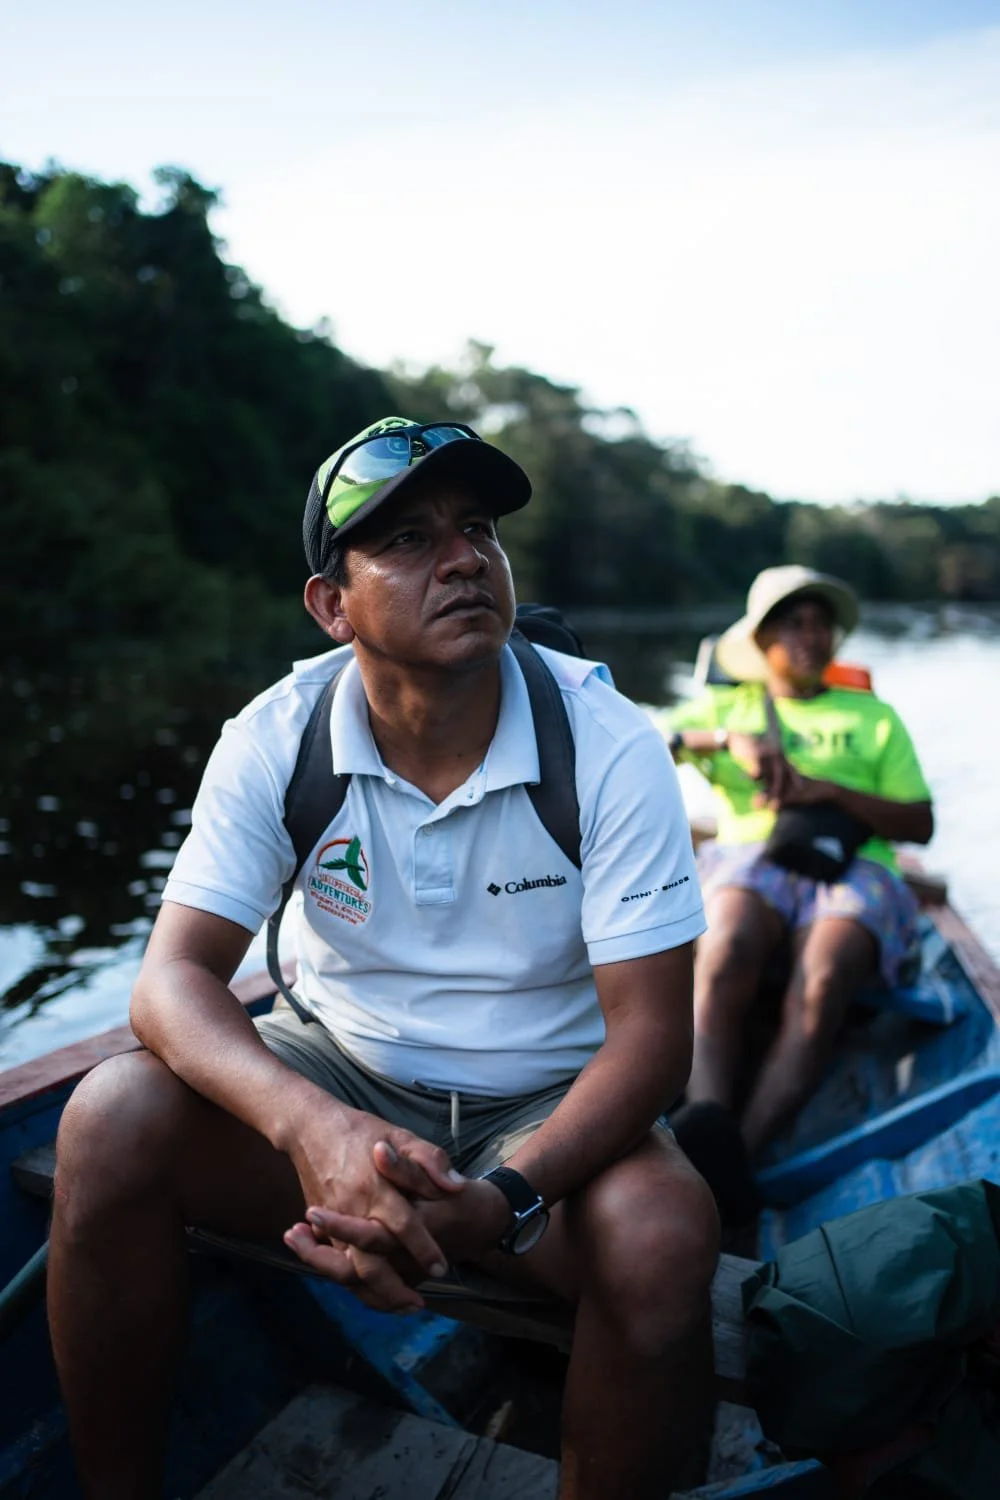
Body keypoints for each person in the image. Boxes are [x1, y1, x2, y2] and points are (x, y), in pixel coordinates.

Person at [48, 415, 719, 1500]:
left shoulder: (609, 743)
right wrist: (312, 1128)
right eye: (404, 540)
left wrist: (500, 1197)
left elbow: (653, 1044)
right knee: (109, 1119)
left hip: (542, 1112)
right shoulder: (278, 734)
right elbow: (169, 985)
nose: (460, 558)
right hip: (338, 1071)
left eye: (476, 529)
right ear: (331, 606)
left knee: (662, 1235)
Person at [664, 564, 933, 1175]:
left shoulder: (874, 717)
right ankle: (709, 1118)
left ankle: (740, 1156)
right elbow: (640, 742)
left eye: (822, 625)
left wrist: (831, 792)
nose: (811, 637)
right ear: (761, 641)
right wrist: (723, 740)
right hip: (749, 859)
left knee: (823, 978)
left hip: (855, 868)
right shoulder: (726, 707)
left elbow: (919, 823)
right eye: (793, 624)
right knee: (725, 945)